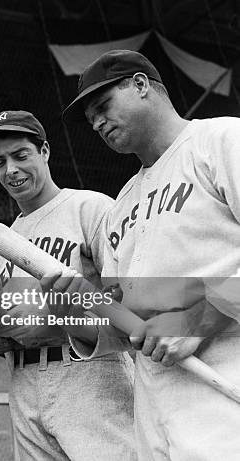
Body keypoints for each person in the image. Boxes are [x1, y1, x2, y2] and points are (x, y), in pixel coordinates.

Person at [63, 49, 240, 460]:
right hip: (156, 417)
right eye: (91, 121)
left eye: (103, 106)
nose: (98, 123)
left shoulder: (220, 141)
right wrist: (79, 308)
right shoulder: (121, 204)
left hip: (225, 403)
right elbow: (128, 326)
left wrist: (201, 316)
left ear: (141, 85)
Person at [0, 110, 136, 461]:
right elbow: (11, 318)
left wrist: (59, 317)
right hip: (22, 381)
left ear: (45, 151)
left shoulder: (89, 208)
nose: (11, 170)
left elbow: (131, 300)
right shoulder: (5, 238)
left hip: (87, 374)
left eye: (21, 156)